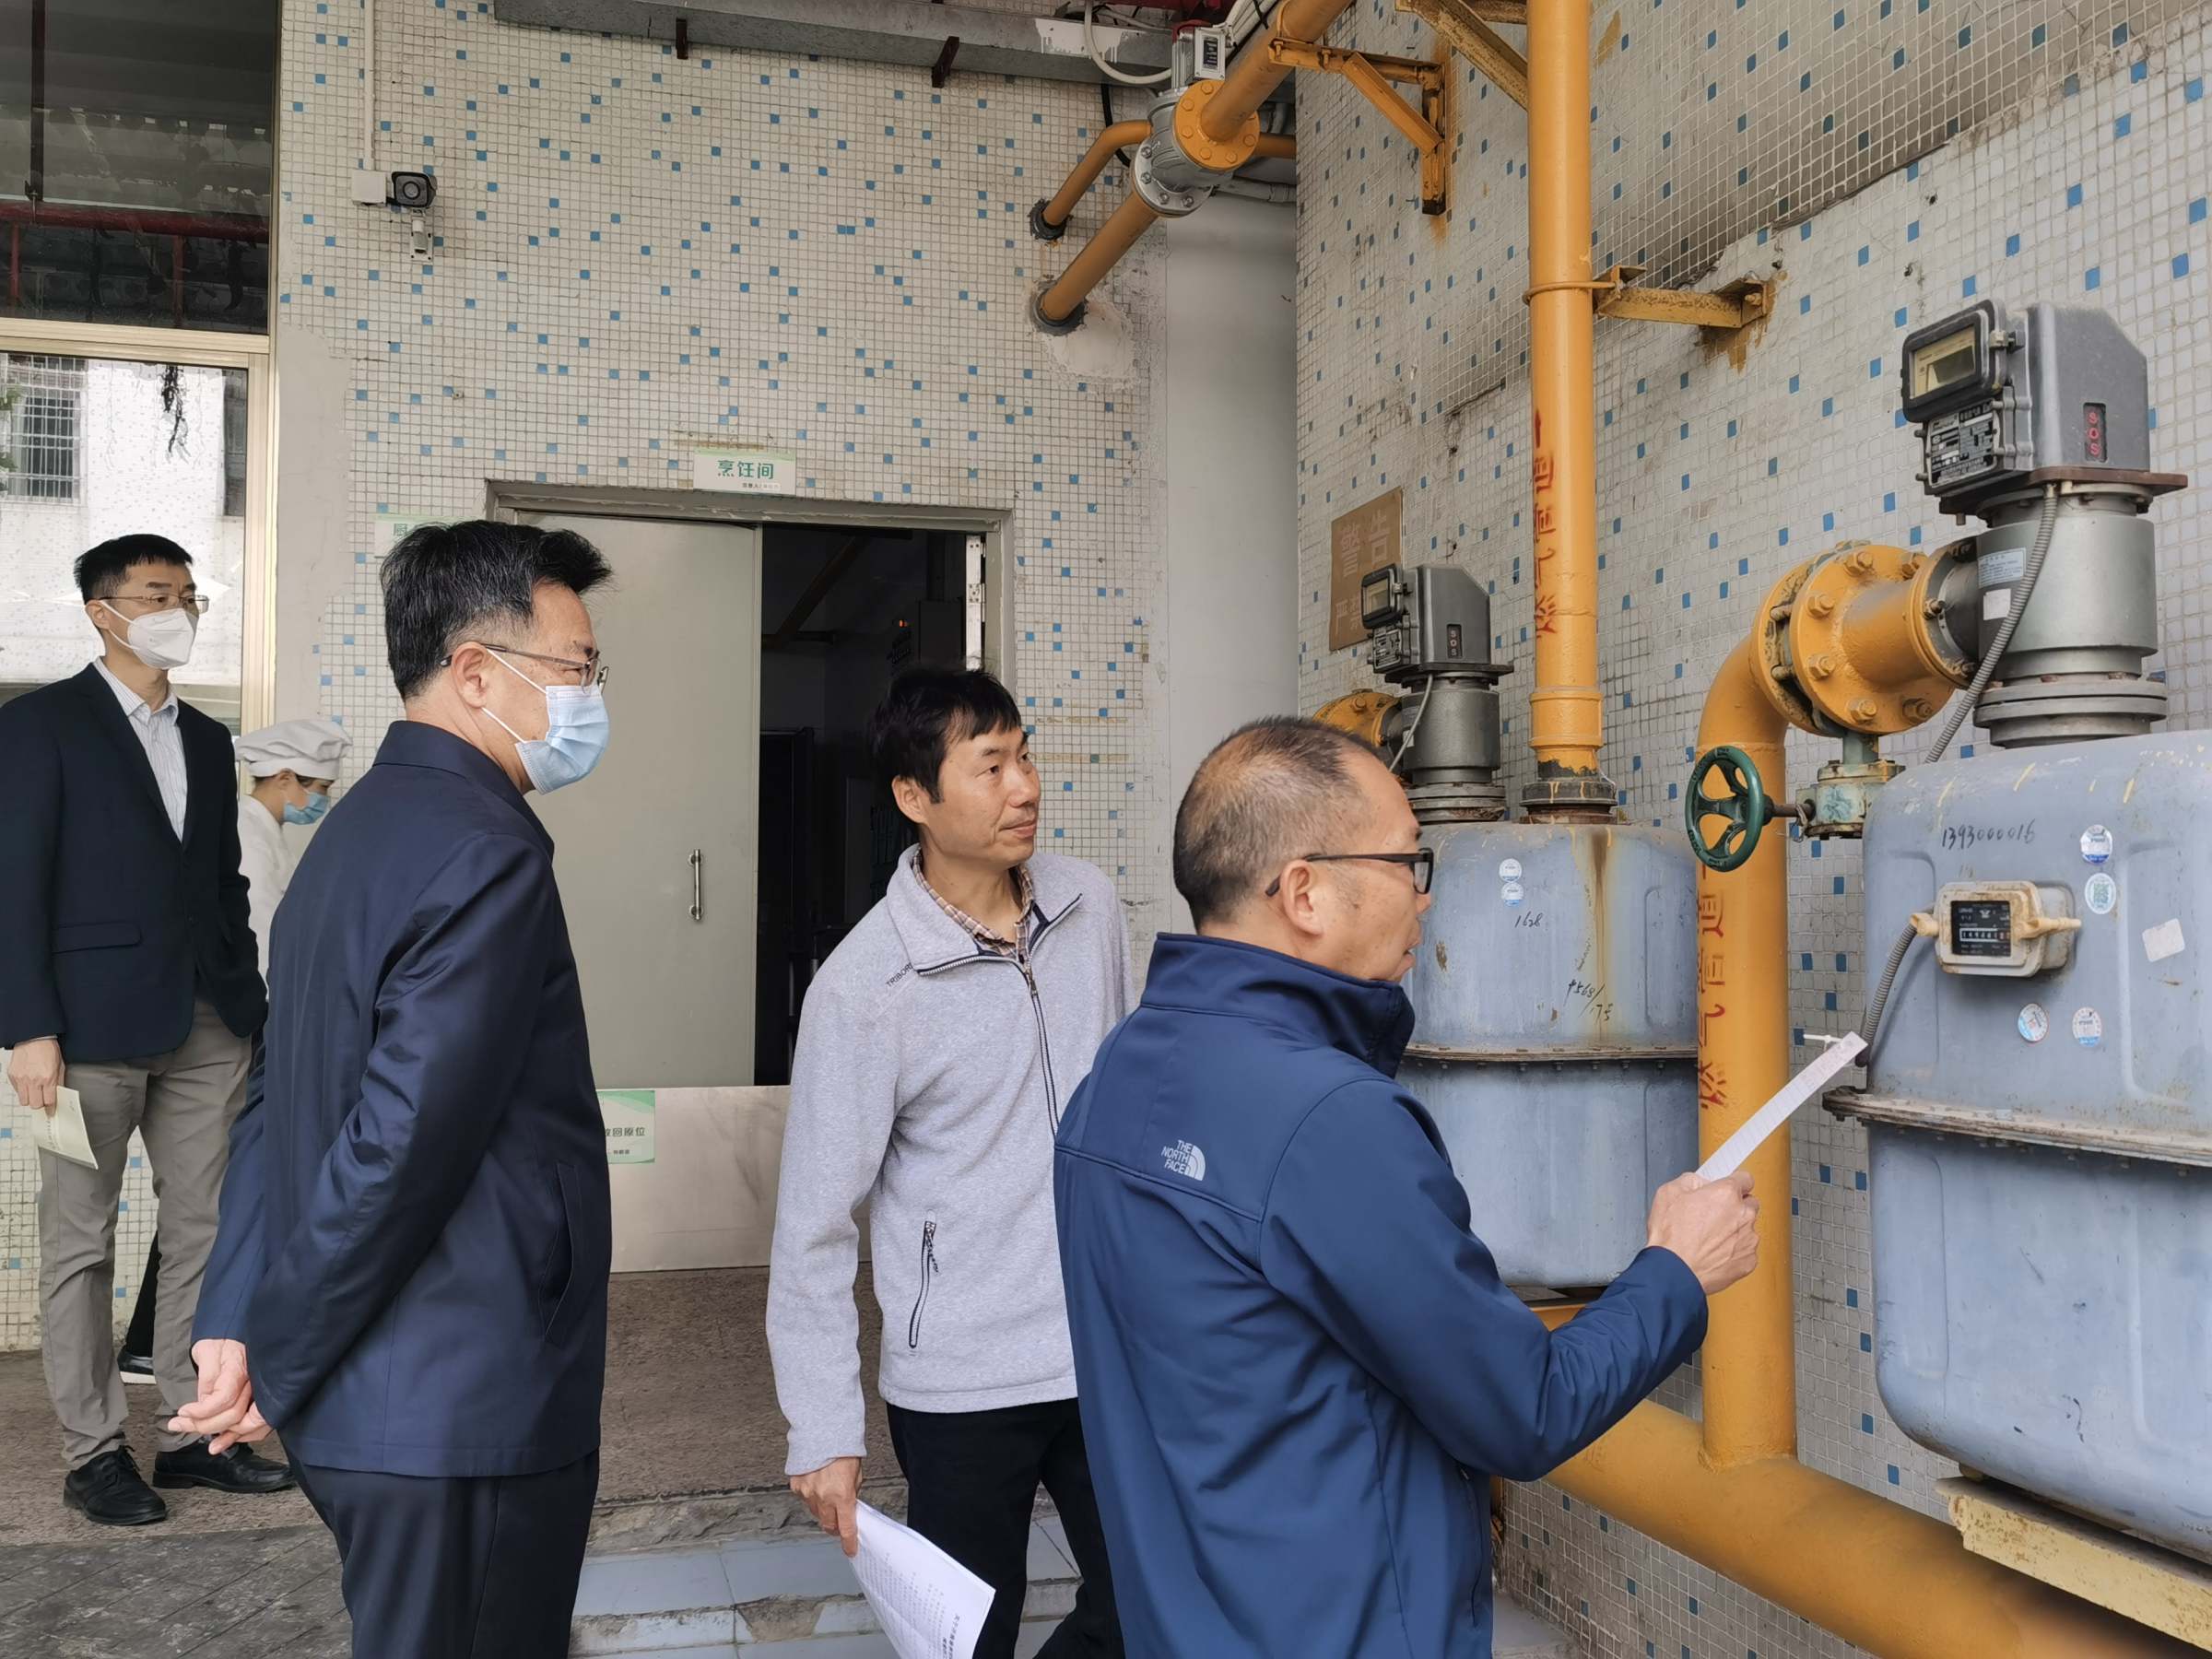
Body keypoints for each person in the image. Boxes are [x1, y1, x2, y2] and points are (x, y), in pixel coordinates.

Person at [1053, 718, 1763, 1658]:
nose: (1425, 898)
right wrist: (1675, 1271)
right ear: (1304, 892)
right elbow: (1523, 1409)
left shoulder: (1116, 1076)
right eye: (1407, 863)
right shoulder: (1328, 1120)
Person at [172, 520, 615, 1658]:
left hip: (374, 1412)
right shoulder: (486, 851)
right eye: (577, 668)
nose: (590, 696)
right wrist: (277, 1353)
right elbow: (403, 1144)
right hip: (459, 1405)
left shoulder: (353, 832)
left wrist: (235, 1318)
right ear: (476, 672)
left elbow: (270, 1098)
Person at [770, 667, 1130, 1659]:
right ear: (913, 796)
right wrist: (823, 1427)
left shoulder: (1090, 906)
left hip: (1104, 1349)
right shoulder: (866, 987)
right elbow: (813, 1223)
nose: (1025, 787)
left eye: (1025, 757)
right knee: (968, 1639)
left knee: (1152, 1605)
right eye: (991, 766)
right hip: (962, 1381)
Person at [0, 534, 291, 1526]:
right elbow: (13, 884)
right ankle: (93, 1454)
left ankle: (193, 1431)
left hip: (208, 1025)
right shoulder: (38, 726)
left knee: (209, 1232)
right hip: (82, 1035)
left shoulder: (209, 738)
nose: (180, 612)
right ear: (102, 612)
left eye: (189, 596)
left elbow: (220, 884)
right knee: (80, 1244)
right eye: (158, 595)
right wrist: (27, 1027)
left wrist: (248, 1007)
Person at [119, 717, 353, 1386]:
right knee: (211, 1193)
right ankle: (152, 1342)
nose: (319, 802)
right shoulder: (247, 834)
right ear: (285, 779)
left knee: (214, 1191)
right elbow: (259, 944)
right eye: (317, 789)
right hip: (250, 1028)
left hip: (260, 1024)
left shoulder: (265, 833)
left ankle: (163, 1341)